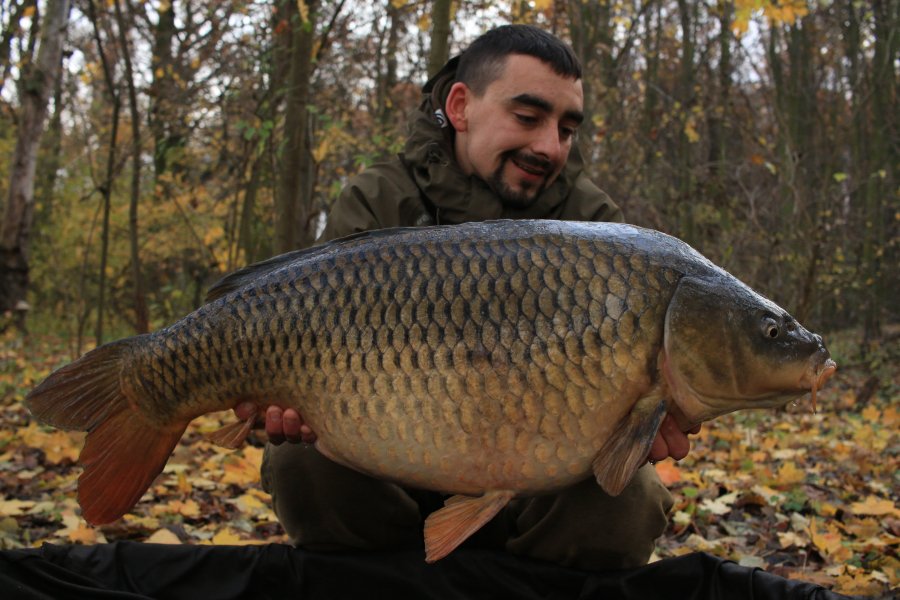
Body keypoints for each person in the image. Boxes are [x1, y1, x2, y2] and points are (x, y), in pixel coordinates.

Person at [236, 24, 699, 570]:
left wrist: (648, 418)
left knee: (631, 497)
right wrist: (275, 408)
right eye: (528, 118)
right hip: (390, 463)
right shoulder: (379, 199)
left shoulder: (595, 226)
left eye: (567, 128)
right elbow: (298, 336)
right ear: (460, 106)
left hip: (542, 481)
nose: (550, 146)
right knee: (300, 465)